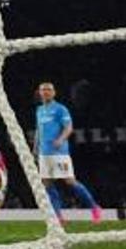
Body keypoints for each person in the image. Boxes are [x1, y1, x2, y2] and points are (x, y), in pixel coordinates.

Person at [35, 81, 101, 223]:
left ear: (54, 93)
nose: (46, 92)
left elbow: (69, 127)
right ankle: (59, 217)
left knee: (69, 181)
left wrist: (60, 139)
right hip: (44, 153)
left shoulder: (60, 109)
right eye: (43, 90)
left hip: (59, 152)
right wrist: (35, 148)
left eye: (49, 89)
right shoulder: (39, 110)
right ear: (39, 93)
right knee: (46, 184)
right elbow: (39, 131)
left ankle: (94, 207)